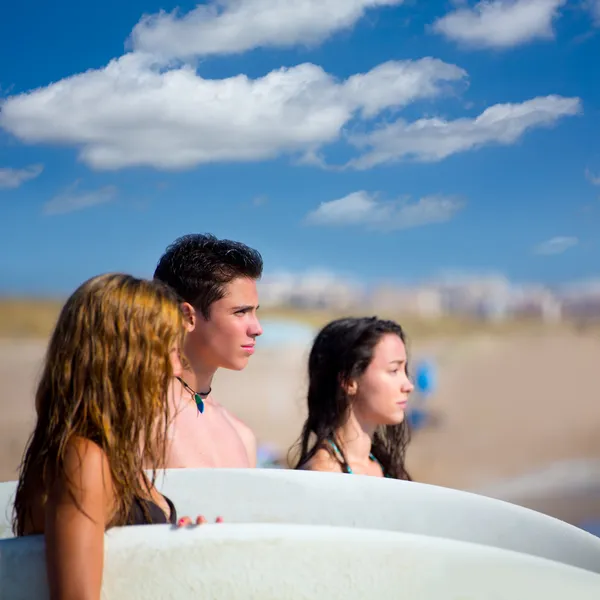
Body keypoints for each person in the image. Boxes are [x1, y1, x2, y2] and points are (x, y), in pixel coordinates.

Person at [12, 274, 215, 600]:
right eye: (172, 350)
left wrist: (175, 542)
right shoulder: (82, 459)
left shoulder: (107, 452)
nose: (179, 367)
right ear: (126, 358)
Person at [154, 233, 263, 468]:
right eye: (240, 312)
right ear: (186, 317)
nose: (257, 328)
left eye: (255, 311)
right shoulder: (139, 422)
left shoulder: (242, 434)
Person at [292, 317, 414, 479]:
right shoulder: (323, 474)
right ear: (349, 381)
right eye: (393, 370)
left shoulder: (382, 466)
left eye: (404, 370)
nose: (408, 386)